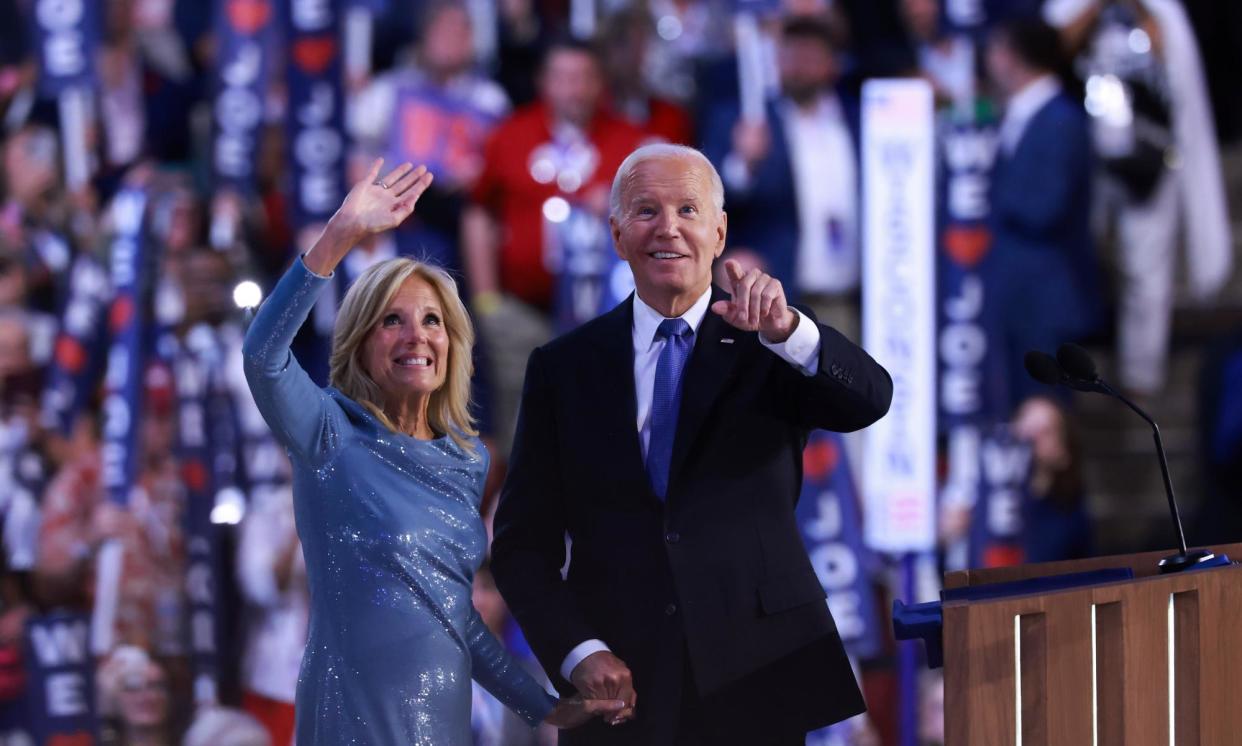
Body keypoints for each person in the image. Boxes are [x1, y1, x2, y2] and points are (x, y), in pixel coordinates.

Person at [490, 143, 893, 745]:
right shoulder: (563, 366)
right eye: (647, 211)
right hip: (619, 686)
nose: (668, 228)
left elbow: (870, 398)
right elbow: (522, 545)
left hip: (757, 674)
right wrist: (579, 653)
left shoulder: (771, 341)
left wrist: (791, 332)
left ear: (720, 231)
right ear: (617, 234)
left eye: (687, 209)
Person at [241, 159, 623, 744]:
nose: (416, 335)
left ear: (453, 342)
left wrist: (542, 707)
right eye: (391, 321)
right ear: (361, 343)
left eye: (432, 320)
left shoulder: (467, 460)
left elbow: (456, 613)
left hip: (444, 724)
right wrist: (341, 233)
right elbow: (263, 357)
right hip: (351, 720)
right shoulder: (327, 434)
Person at [984, 18, 1101, 409]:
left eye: (996, 49)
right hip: (1014, 293)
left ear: (1014, 57)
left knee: (1046, 416)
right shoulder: (1016, 113)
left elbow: (1044, 207)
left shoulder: (1060, 119)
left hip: (1045, 296)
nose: (989, 60)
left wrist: (981, 193)